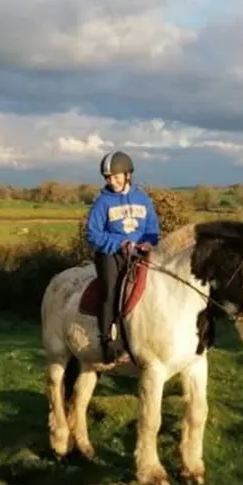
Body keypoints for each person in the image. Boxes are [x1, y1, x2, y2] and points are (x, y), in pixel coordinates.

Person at [84, 150, 160, 362]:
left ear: (128, 175)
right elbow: (92, 233)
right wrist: (119, 243)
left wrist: (149, 242)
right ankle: (107, 340)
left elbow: (152, 229)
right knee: (111, 291)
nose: (112, 181)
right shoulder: (102, 202)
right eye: (107, 177)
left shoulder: (143, 199)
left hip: (140, 253)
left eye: (115, 176)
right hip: (111, 255)